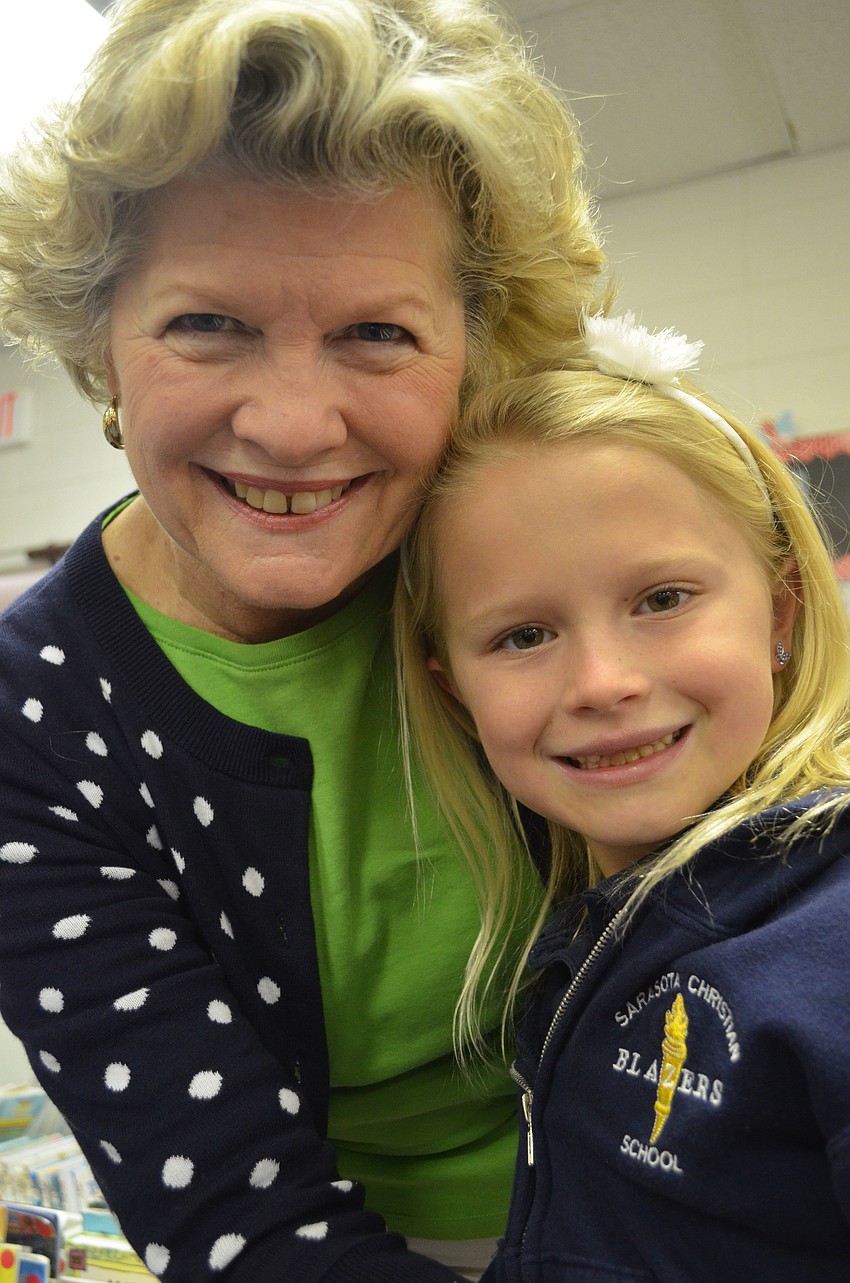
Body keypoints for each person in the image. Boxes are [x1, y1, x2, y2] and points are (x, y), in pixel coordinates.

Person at [0, 1, 607, 1279]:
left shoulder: (563, 545)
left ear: (472, 351)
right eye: (206, 323)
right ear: (99, 347)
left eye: (376, 333)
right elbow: (235, 1214)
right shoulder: (35, 712)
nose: (289, 426)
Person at [396, 311, 850, 1280]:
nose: (602, 681)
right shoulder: (589, 925)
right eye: (521, 635)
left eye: (661, 599)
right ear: (453, 690)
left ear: (778, 609)